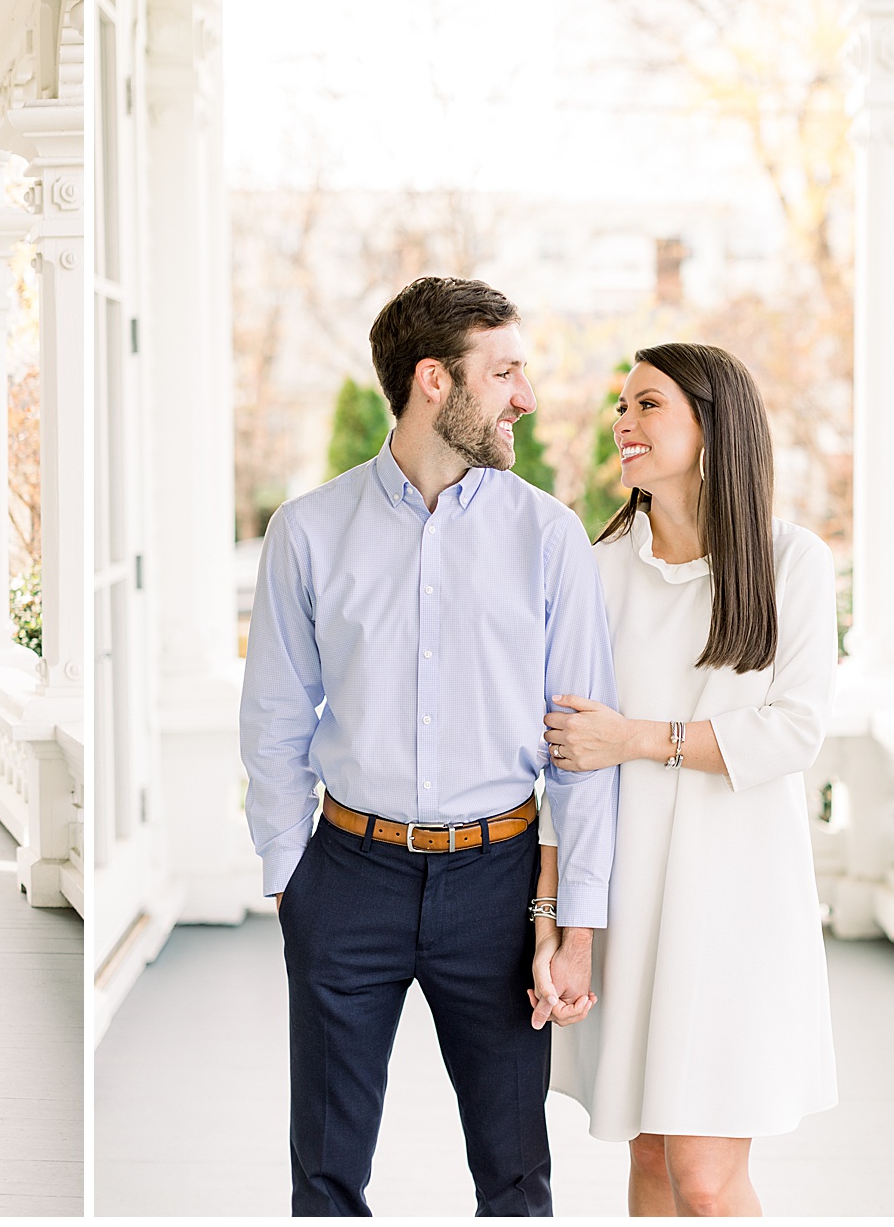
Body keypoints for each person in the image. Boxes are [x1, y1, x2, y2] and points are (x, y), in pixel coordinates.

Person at [241, 276, 621, 1217]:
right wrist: (294, 877)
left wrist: (572, 921)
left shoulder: (549, 536)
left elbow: (581, 748)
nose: (524, 397)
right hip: (345, 879)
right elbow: (275, 718)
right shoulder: (308, 531)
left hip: (498, 887)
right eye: (505, 372)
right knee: (324, 1176)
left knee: (514, 1173)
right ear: (433, 382)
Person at [534, 344, 838, 1216]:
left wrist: (635, 738)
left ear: (714, 424)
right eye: (620, 407)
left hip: (739, 904)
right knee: (652, 1162)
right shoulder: (596, 572)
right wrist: (554, 920)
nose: (623, 422)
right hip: (629, 899)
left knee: (705, 1178)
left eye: (648, 404)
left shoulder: (793, 563)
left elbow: (792, 732)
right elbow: (563, 764)